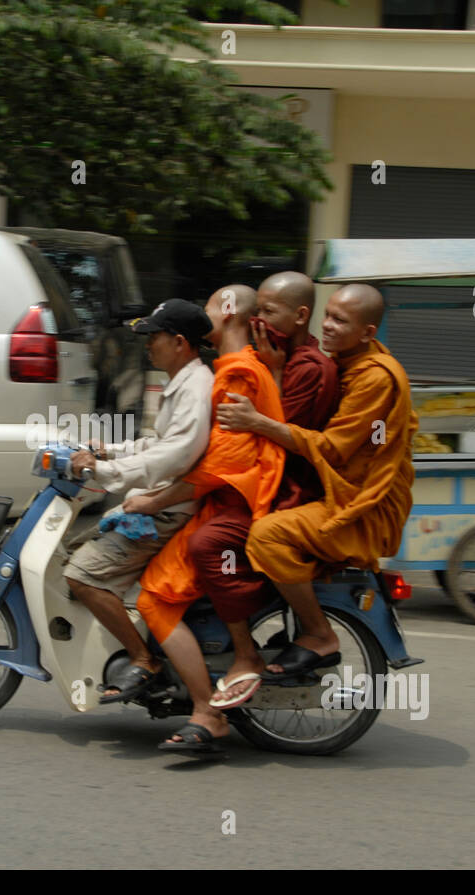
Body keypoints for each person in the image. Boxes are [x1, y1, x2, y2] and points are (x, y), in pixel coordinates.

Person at [218, 283, 416, 678]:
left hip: (362, 507)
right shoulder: (347, 362)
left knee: (268, 536)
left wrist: (257, 421)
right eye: (328, 315)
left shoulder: (375, 377)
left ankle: (318, 633)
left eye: (340, 321)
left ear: (368, 333)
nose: (327, 326)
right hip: (342, 491)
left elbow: (333, 448)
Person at [125, 284, 285, 753]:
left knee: (156, 598)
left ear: (230, 312)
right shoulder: (237, 369)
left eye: (211, 306)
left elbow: (222, 465)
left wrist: (153, 501)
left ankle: (208, 709)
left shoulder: (237, 373)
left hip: (236, 504)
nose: (204, 312)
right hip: (222, 499)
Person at [184, 271, 341, 710]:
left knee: (208, 543)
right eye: (258, 312)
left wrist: (271, 373)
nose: (260, 320)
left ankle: (244, 651)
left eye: (269, 312)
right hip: (264, 485)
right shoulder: (274, 355)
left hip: (292, 493)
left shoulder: (308, 366)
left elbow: (278, 437)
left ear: (300, 315)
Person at [64, 299, 215, 703]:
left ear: (180, 342)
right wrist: (109, 451)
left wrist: (105, 471)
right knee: (73, 552)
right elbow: (157, 444)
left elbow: (175, 455)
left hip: (165, 512)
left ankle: (143, 660)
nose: (148, 345)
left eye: (154, 337)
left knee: (80, 576)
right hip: (153, 501)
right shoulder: (182, 382)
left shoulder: (196, 390)